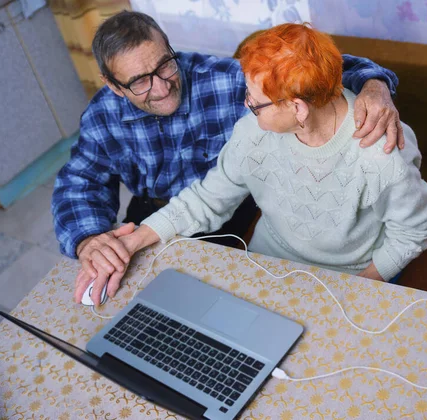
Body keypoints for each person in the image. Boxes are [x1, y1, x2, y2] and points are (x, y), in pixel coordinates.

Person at [51, 11, 406, 304]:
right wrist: (90, 240)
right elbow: (79, 181)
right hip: (158, 211)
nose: (160, 88)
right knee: (127, 306)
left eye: (165, 66)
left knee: (212, 309)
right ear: (113, 84)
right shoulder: (102, 114)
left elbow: (318, 73)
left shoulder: (229, 81)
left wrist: (375, 86)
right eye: (140, 82)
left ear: (171, 48)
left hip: (231, 213)